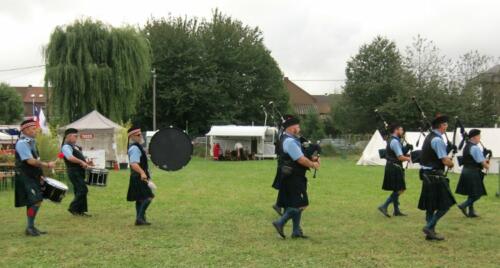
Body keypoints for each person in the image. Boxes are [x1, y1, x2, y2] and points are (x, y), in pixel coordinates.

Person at [272, 115, 320, 239]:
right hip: (294, 177)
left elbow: (300, 154)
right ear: (291, 128)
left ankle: (296, 232)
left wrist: (312, 157)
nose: (299, 128)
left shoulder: (289, 139)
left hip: (291, 176)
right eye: (297, 126)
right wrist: (313, 164)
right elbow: (301, 159)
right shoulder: (290, 141)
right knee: (302, 204)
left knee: (293, 204)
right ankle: (280, 222)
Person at [14, 119, 56, 236]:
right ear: (26, 130)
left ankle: (31, 227)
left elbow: (36, 161)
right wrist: (47, 164)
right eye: (33, 129)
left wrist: (41, 175)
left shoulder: (32, 142)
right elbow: (30, 161)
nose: (36, 131)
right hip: (25, 176)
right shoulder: (22, 143)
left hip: (32, 176)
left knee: (33, 201)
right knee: (36, 200)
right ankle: (30, 227)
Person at [418, 115, 456, 241]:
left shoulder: (430, 137)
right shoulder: (437, 140)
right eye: (445, 125)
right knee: (446, 204)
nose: (446, 127)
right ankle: (429, 227)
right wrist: (451, 163)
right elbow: (445, 161)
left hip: (427, 175)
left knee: (430, 205)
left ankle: (431, 233)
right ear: (441, 126)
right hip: (435, 176)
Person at [378, 123, 411, 217]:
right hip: (394, 166)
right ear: (396, 130)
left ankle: (396, 211)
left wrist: (407, 148)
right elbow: (400, 157)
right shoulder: (395, 142)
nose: (402, 131)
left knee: (397, 188)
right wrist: (409, 159)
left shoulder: (394, 140)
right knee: (401, 189)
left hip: (392, 166)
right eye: (401, 130)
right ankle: (384, 206)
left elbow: (399, 152)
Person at [456, 129, 489, 218]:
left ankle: (471, 212)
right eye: (479, 136)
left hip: (466, 171)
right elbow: (483, 164)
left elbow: (473, 158)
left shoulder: (467, 146)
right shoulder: (475, 148)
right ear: (474, 137)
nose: (480, 138)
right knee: (478, 193)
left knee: (471, 192)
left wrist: (483, 155)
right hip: (473, 172)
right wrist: (487, 162)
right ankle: (463, 205)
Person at [61, 128, 93, 216]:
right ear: (68, 137)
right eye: (75, 136)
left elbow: (77, 158)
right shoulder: (66, 147)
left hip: (79, 171)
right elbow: (70, 158)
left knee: (78, 190)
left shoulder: (74, 147)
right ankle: (73, 208)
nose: (76, 138)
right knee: (83, 190)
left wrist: (86, 163)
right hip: (74, 171)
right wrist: (81, 162)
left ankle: (80, 211)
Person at [127, 126, 154, 226]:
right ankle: (139, 218)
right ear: (132, 137)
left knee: (140, 198)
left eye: (140, 134)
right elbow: (134, 163)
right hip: (138, 177)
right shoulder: (134, 148)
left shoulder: (138, 147)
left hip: (137, 176)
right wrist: (142, 173)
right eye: (138, 135)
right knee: (149, 197)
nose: (140, 136)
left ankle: (140, 219)